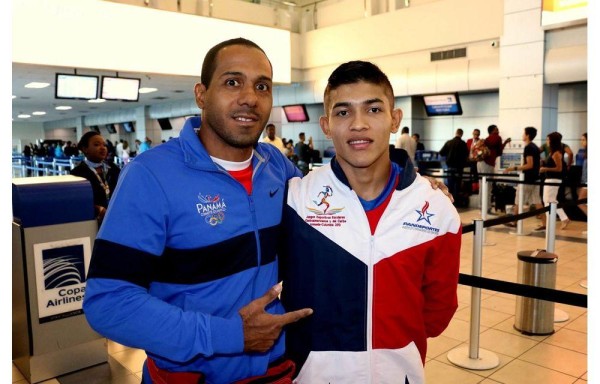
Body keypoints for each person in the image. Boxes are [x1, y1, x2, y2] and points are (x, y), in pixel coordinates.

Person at [82, 37, 313, 384]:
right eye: (232, 82)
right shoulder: (151, 176)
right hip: (191, 377)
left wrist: (403, 181)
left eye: (262, 86)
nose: (249, 97)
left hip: (275, 371)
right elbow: (109, 303)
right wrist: (230, 335)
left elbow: (336, 203)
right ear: (202, 94)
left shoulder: (277, 166)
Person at [279, 60, 461, 383]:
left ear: (395, 119)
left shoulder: (437, 209)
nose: (358, 124)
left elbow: (437, 313)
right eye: (343, 112)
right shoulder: (295, 200)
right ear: (325, 124)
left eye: (374, 110)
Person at [70, 131, 121, 223]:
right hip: (93, 222)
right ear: (85, 149)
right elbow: (77, 201)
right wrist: (98, 210)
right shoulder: (77, 173)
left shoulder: (113, 168)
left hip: (116, 219)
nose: (103, 148)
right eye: (97, 145)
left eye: (104, 145)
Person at [502, 126, 543, 228]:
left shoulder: (529, 147)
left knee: (518, 200)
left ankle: (514, 222)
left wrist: (512, 168)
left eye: (524, 133)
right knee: (537, 202)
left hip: (528, 179)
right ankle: (545, 224)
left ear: (527, 135)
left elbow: (529, 164)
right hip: (535, 178)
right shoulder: (535, 147)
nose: (522, 135)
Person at [539, 132, 570, 230]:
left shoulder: (556, 153)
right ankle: (564, 218)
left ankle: (550, 223)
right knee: (550, 200)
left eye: (548, 139)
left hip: (553, 180)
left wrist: (545, 169)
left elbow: (559, 168)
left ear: (553, 141)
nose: (547, 141)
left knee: (549, 201)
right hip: (550, 179)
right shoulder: (552, 152)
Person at [477, 124, 511, 213]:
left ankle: (481, 206)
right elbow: (499, 152)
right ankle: (487, 207)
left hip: (480, 162)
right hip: (488, 163)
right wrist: (505, 143)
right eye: (496, 129)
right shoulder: (497, 137)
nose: (498, 130)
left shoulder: (487, 139)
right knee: (488, 186)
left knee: (481, 186)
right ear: (492, 131)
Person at [439, 128, 469, 203]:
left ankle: (449, 201)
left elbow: (441, 152)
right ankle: (457, 201)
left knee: (450, 185)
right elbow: (466, 155)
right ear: (461, 134)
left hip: (450, 167)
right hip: (459, 168)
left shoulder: (449, 142)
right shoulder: (463, 144)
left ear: (456, 133)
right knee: (458, 185)